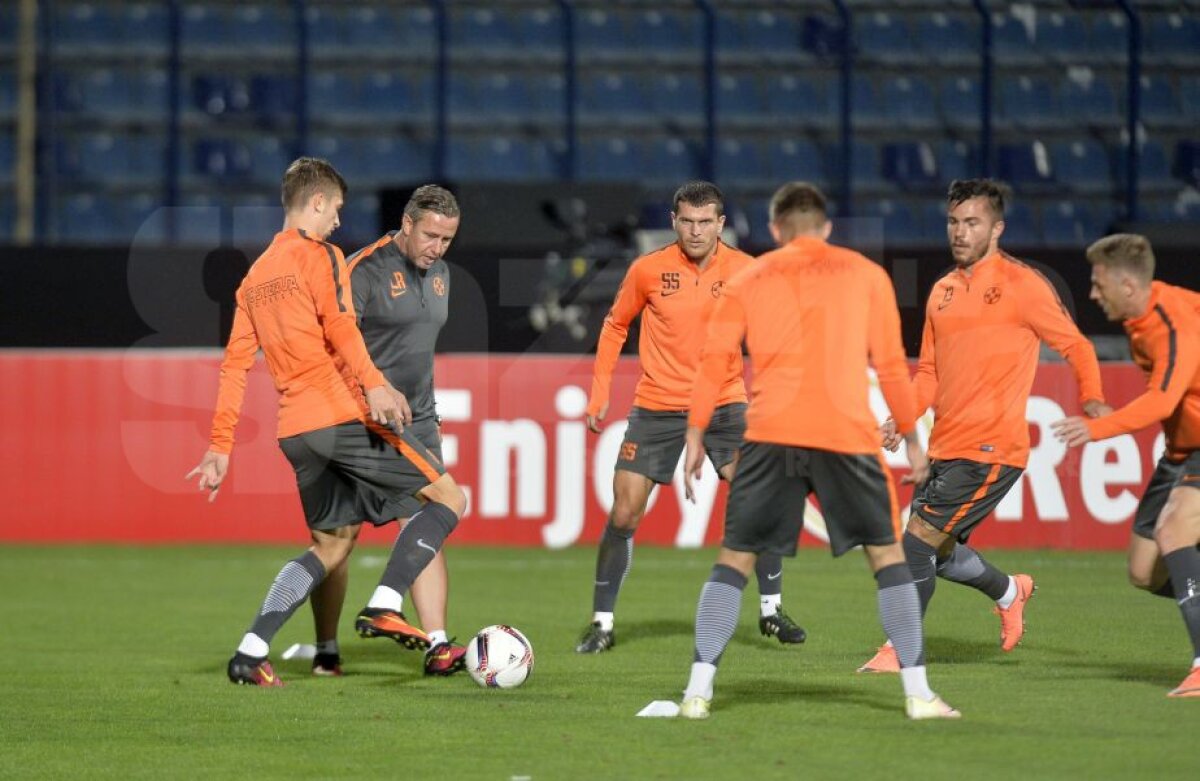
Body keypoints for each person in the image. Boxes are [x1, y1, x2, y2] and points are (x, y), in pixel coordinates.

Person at [675, 181, 956, 720]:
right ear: (826, 228)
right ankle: (919, 695)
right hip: (844, 436)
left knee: (734, 560)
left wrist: (694, 434)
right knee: (887, 557)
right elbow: (891, 367)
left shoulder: (748, 277)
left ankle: (696, 692)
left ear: (775, 229)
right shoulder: (867, 275)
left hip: (771, 435)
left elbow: (713, 361)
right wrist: (914, 440)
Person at [186, 158, 466, 686]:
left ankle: (250, 651)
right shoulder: (322, 256)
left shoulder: (254, 278)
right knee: (450, 498)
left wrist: (220, 446)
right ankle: (385, 603)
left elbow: (234, 365)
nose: (338, 220)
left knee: (330, 546)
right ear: (316, 202)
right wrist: (375, 384)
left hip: (295, 432)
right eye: (335, 208)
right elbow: (340, 326)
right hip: (340, 416)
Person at [859, 178, 1106, 674]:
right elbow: (929, 372)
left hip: (993, 448)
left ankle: (900, 651)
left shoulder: (1023, 285)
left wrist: (1093, 399)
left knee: (915, 544)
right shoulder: (942, 291)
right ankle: (1011, 591)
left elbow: (1077, 346)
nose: (960, 232)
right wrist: (904, 417)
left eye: (972, 222)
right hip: (946, 446)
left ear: (997, 229)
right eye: (953, 222)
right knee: (939, 554)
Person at [577, 181, 806, 654]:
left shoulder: (746, 271)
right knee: (624, 511)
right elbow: (615, 324)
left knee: (760, 496)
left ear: (721, 224)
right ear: (674, 222)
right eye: (687, 221)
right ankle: (601, 623)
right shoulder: (648, 270)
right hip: (658, 405)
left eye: (705, 222)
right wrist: (599, 393)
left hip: (724, 403)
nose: (696, 231)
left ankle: (771, 610)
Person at [305, 185, 466, 678]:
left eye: (447, 239)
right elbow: (330, 342)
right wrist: (368, 392)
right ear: (407, 223)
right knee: (338, 538)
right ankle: (327, 649)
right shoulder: (363, 270)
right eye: (431, 236)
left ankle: (437, 645)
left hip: (417, 421)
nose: (438, 248)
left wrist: (424, 411)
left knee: (428, 519)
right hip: (358, 419)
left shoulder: (440, 275)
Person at [1051, 234, 1200, 698]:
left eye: (1099, 284)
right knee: (1144, 570)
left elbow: (1162, 400)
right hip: (1181, 450)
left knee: (1174, 530)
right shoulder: (1142, 319)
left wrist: (1098, 428)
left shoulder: (1175, 322)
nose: (1093, 293)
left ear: (1128, 286)